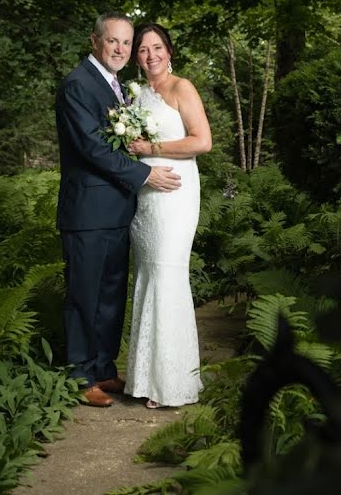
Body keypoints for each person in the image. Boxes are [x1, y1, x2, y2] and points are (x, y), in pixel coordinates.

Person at [55, 12, 182, 407]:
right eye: (114, 41)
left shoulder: (115, 87)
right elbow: (93, 148)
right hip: (87, 211)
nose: (121, 49)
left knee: (110, 293)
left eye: (127, 43)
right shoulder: (77, 85)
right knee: (84, 295)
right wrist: (145, 174)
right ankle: (80, 377)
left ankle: (104, 368)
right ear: (95, 42)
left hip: (117, 210)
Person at [125, 23, 212, 408]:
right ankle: (145, 378)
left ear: (169, 50)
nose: (150, 55)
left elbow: (202, 141)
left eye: (156, 47)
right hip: (145, 194)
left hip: (175, 192)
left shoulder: (182, 88)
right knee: (147, 273)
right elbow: (129, 144)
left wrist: (150, 145)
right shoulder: (137, 94)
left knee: (166, 271)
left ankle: (171, 382)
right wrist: (134, 151)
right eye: (142, 49)